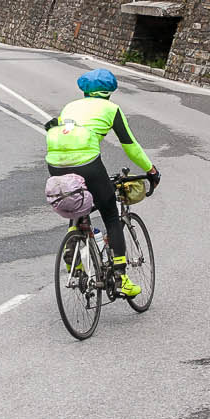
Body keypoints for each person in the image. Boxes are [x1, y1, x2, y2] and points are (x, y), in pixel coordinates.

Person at [44, 69, 160, 298]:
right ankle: (120, 278)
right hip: (88, 163)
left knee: (77, 202)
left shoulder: (70, 107)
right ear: (109, 91)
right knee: (110, 214)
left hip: (55, 163)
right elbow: (130, 146)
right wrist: (151, 170)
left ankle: (74, 244)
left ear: (85, 91)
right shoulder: (111, 109)